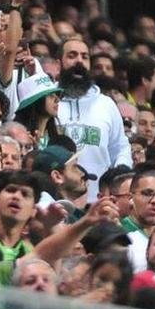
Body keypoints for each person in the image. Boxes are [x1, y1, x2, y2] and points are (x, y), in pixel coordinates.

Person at [56, 38, 132, 200]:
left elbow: (120, 147)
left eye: (85, 57)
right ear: (58, 63)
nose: (79, 61)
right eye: (72, 56)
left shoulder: (106, 104)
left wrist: (119, 174)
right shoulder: (49, 102)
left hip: (98, 199)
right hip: (56, 197)